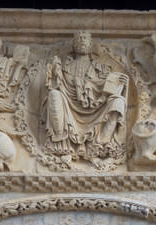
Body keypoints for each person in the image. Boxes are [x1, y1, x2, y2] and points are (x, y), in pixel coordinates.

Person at [42, 31, 127, 164]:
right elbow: (56, 86)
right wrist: (54, 73)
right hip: (69, 105)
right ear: (74, 45)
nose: (82, 40)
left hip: (97, 107)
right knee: (54, 95)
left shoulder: (101, 69)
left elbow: (108, 87)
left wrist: (119, 81)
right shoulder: (64, 68)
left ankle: (98, 147)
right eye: (79, 38)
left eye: (85, 38)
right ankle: (64, 146)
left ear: (91, 44)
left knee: (118, 102)